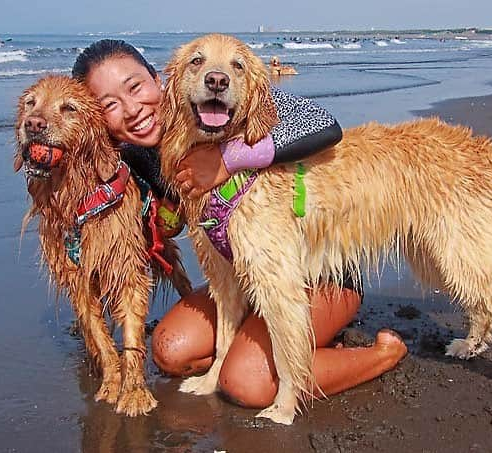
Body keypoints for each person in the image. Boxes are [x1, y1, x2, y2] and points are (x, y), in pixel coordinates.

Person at [72, 39, 406, 409]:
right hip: (241, 277)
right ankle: (272, 346)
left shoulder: (242, 108)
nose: (132, 108)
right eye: (109, 104)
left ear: (160, 79)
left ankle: (379, 355)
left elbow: (325, 126)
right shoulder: (133, 159)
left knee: (246, 383)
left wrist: (227, 159)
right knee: (170, 350)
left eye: (135, 87)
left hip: (321, 273)